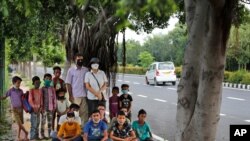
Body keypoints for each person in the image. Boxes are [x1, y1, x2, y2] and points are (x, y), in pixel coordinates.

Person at [0, 76, 28, 141]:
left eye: (20, 83)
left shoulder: (21, 91)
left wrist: (26, 94)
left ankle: (18, 136)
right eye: (18, 83)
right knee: (19, 123)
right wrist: (1, 98)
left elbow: (23, 98)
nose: (19, 84)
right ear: (14, 83)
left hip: (21, 109)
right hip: (14, 109)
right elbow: (5, 96)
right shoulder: (11, 91)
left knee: (20, 124)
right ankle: (26, 132)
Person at [66, 53, 89, 125]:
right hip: (75, 96)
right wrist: (70, 95)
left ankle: (82, 130)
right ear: (75, 60)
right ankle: (73, 129)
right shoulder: (71, 70)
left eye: (82, 60)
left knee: (84, 114)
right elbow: (68, 83)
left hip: (84, 95)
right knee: (74, 114)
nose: (80, 61)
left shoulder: (86, 70)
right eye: (79, 59)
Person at [41, 73, 57, 139]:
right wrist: (41, 108)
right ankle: (42, 135)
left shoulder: (52, 89)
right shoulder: (41, 89)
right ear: (44, 79)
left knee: (50, 122)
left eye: (50, 79)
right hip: (44, 108)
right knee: (43, 122)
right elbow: (40, 99)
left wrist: (54, 107)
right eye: (46, 79)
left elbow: (54, 98)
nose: (48, 80)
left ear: (51, 80)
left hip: (50, 108)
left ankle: (50, 135)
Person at [29, 76, 43, 140]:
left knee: (37, 124)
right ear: (33, 83)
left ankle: (36, 137)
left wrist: (40, 108)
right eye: (36, 83)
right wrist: (35, 108)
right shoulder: (31, 90)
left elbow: (41, 100)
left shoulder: (40, 90)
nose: (38, 84)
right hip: (33, 111)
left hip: (39, 110)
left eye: (39, 82)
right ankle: (32, 137)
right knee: (33, 124)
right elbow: (30, 100)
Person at [52, 66, 66, 131]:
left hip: (60, 101)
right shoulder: (51, 81)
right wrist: (55, 89)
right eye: (56, 72)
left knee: (60, 115)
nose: (58, 73)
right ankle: (52, 130)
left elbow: (65, 90)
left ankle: (58, 129)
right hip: (52, 101)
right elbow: (49, 91)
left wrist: (62, 90)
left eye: (59, 72)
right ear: (54, 73)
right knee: (53, 115)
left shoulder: (62, 81)